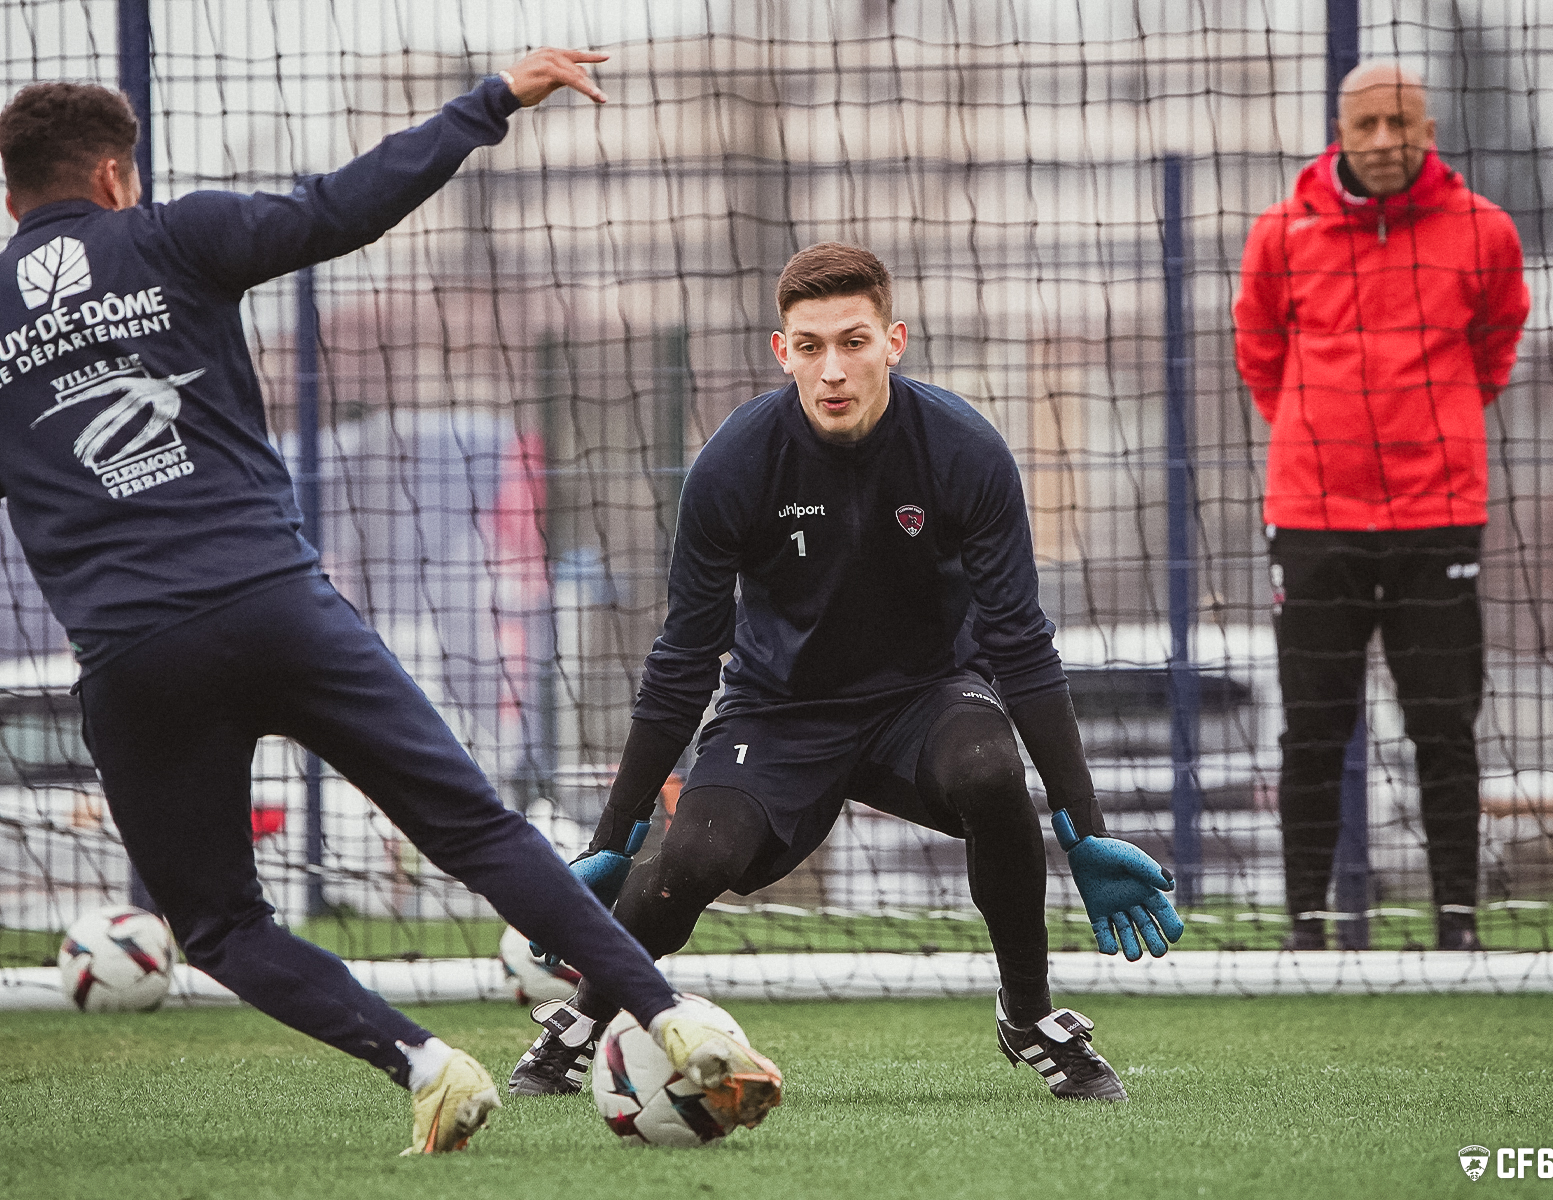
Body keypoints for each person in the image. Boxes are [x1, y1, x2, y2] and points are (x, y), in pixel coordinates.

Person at [0, 49, 780, 1154]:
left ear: (12, 196)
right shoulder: (173, 235)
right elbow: (341, 208)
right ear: (114, 175)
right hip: (275, 609)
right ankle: (673, 1014)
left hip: (133, 659)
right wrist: (490, 102)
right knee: (476, 828)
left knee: (219, 924)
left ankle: (424, 1064)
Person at [507, 242, 1185, 1105]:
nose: (833, 369)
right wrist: (613, 837)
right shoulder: (734, 464)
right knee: (695, 858)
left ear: (893, 342)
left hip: (927, 700)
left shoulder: (965, 450)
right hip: (778, 711)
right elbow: (683, 660)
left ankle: (1030, 1015)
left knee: (989, 770)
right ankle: (579, 1022)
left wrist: (1083, 829)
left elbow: (1021, 645)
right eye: (811, 345)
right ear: (781, 351)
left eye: (854, 342)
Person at [1233, 64, 1529, 951]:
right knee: (1312, 732)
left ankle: (1458, 928)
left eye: (1400, 123)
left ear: (1428, 131)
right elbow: (1259, 350)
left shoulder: (1485, 230)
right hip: (1313, 519)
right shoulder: (1283, 232)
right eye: (1366, 125)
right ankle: (1306, 929)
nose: (1384, 139)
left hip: (1438, 518)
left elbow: (1496, 343)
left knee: (1445, 728)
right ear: (1341, 132)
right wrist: (1318, 432)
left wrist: (1434, 422)